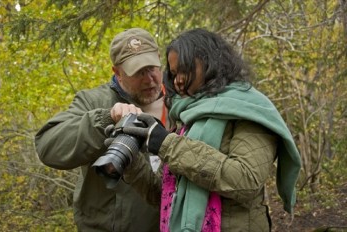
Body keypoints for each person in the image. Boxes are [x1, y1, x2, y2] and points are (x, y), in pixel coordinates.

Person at [118, 28, 302, 231]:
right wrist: (130, 159)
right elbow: (163, 193)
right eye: (173, 73)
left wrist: (167, 144)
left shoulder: (247, 109)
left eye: (185, 69)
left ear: (210, 62)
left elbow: (246, 180)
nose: (178, 80)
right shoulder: (186, 115)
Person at [34, 28, 168, 232]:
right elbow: (48, 146)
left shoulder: (179, 100)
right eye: (138, 72)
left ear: (159, 60)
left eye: (151, 68)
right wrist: (105, 119)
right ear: (118, 73)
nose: (149, 79)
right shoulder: (93, 101)